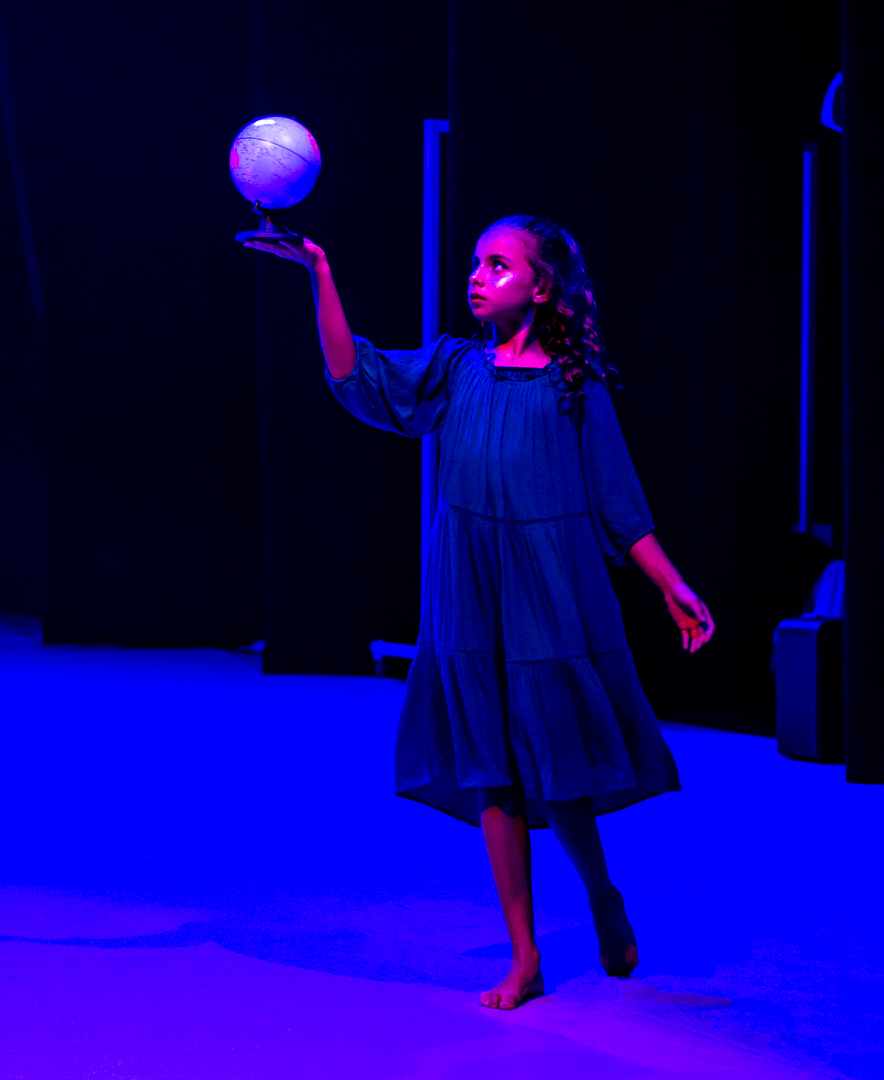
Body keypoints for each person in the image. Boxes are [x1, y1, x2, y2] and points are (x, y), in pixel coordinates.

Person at [245, 216, 715, 1010]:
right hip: (468, 593)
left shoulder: (575, 388)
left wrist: (671, 584)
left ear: (542, 286)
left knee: (559, 774)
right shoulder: (455, 367)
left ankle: (600, 893)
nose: (476, 276)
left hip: (547, 595)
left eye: (497, 265)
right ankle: (525, 956)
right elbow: (354, 373)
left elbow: (620, 504)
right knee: (491, 772)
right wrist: (319, 271)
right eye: (474, 264)